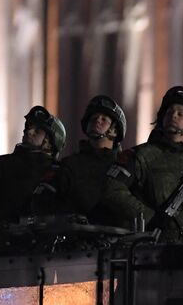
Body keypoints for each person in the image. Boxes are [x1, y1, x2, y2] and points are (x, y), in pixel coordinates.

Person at [100, 85, 183, 240]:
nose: (173, 115)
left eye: (180, 113)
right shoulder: (140, 155)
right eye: (169, 112)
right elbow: (112, 190)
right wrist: (149, 217)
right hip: (154, 244)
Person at [0, 105, 66, 222]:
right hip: (10, 238)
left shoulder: (63, 173)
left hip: (54, 237)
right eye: (29, 127)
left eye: (38, 131)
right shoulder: (3, 166)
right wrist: (4, 219)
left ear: (50, 142)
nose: (29, 132)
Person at [31, 95, 126, 223]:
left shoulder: (125, 166)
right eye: (93, 119)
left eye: (104, 119)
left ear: (115, 130)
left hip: (117, 237)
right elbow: (42, 201)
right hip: (76, 236)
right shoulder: (69, 165)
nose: (97, 121)